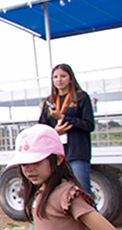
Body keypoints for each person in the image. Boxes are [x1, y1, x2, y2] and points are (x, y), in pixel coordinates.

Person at [38, 63, 95, 194]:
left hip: (77, 153)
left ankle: (92, 214)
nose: (59, 80)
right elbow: (42, 129)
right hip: (55, 155)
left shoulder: (81, 97)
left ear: (70, 78)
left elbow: (89, 125)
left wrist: (63, 117)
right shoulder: (49, 101)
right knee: (57, 191)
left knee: (82, 191)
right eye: (55, 77)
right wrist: (55, 132)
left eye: (63, 76)